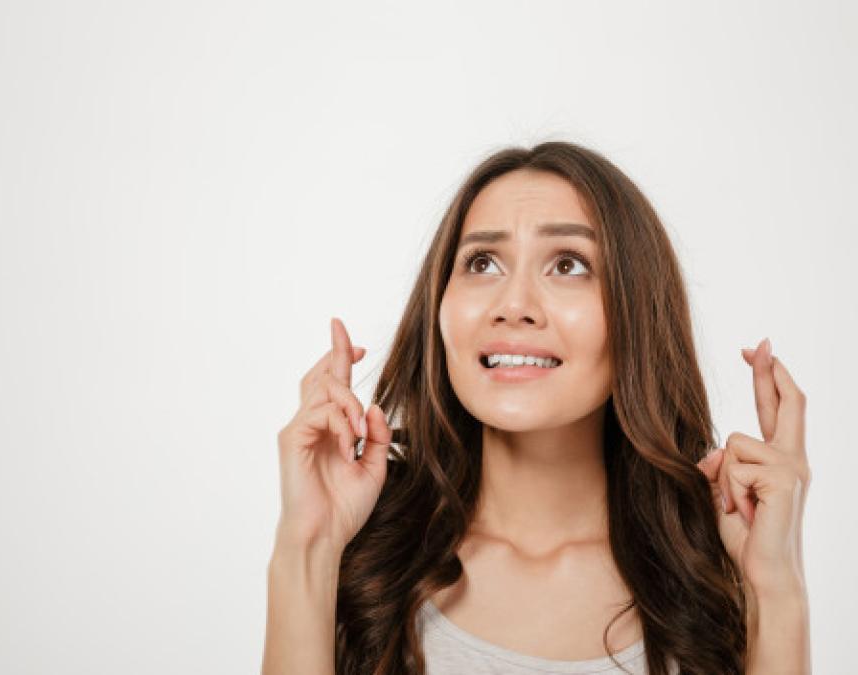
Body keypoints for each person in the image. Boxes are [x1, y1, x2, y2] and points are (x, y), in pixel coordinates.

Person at [263, 141, 811, 675]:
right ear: (439, 309)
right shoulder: (365, 563)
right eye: (482, 262)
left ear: (636, 316)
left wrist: (776, 587)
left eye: (568, 265)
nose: (514, 306)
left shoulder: (708, 575)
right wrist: (307, 545)